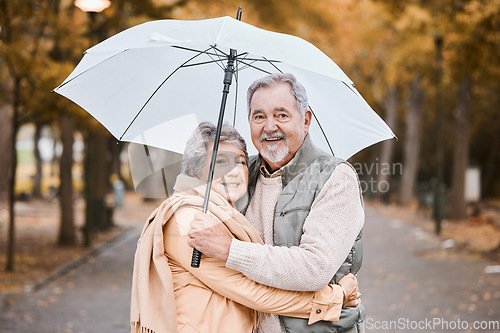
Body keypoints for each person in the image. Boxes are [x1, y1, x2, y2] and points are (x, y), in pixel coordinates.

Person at [130, 122, 360, 333]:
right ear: (194, 168)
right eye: (220, 162)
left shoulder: (220, 216)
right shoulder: (189, 220)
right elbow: (252, 291)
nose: (233, 171)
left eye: (240, 161)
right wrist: (335, 297)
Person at [188, 74, 366, 332]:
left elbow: (314, 268)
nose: (269, 126)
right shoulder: (239, 171)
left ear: (305, 120)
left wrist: (230, 250)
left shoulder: (335, 177)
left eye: (281, 115)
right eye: (259, 116)